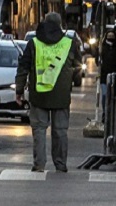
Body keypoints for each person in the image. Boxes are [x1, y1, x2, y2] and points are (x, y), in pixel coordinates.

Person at [15, 12, 82, 173]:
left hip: (39, 94)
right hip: (61, 96)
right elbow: (79, 66)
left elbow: (23, 68)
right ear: (60, 25)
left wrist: (19, 90)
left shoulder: (34, 43)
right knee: (60, 131)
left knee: (39, 129)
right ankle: (60, 164)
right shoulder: (69, 43)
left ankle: (39, 164)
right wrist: (68, 81)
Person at [98, 29, 116, 122]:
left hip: (114, 76)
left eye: (112, 37)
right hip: (104, 77)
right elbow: (98, 61)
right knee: (105, 95)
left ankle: (112, 114)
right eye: (109, 37)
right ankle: (105, 112)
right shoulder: (103, 48)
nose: (111, 39)